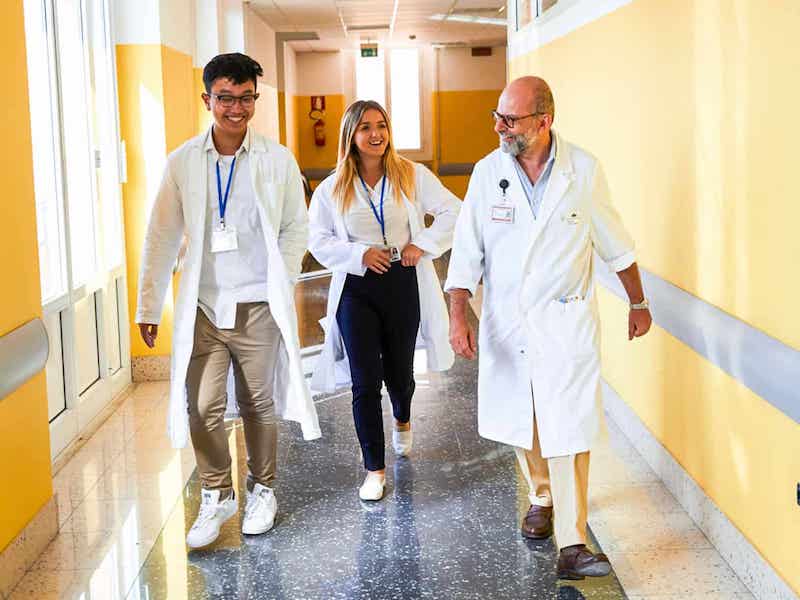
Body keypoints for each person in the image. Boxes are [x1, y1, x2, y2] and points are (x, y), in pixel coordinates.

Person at [445, 76, 652, 580]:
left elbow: (614, 239)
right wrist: (457, 313)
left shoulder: (583, 170)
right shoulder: (487, 172)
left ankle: (574, 541)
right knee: (526, 419)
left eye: (510, 120)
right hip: (508, 320)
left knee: (568, 424)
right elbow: (467, 249)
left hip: (565, 318)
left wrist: (638, 300)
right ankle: (540, 496)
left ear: (545, 121)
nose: (500, 127)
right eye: (498, 116)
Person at [135, 53, 320, 549]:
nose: (236, 109)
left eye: (245, 98)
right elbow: (160, 236)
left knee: (260, 403)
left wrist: (280, 272)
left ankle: (263, 489)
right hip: (205, 305)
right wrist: (148, 307)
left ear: (255, 98)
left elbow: (294, 225)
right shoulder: (183, 163)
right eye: (225, 98)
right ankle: (218, 493)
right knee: (202, 405)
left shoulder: (277, 159)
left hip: (258, 302)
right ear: (207, 100)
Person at [309, 100, 460, 501]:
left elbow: (453, 211)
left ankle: (403, 417)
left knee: (400, 374)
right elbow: (319, 239)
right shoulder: (333, 187)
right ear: (350, 136)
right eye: (365, 128)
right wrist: (358, 255)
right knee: (364, 383)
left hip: (401, 281)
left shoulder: (411, 175)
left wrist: (421, 245)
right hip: (356, 288)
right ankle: (374, 469)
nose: (376, 134)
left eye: (381, 125)